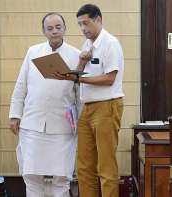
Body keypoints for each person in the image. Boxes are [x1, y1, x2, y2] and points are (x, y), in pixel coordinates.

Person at [54, 4, 124, 197]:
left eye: (86, 23)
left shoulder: (110, 43)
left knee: (106, 166)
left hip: (107, 106)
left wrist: (78, 78)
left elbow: (110, 79)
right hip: (87, 108)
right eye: (79, 25)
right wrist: (81, 63)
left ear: (99, 20)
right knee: (84, 166)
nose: (83, 29)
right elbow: (80, 73)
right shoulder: (87, 45)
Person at [9, 12, 80, 197]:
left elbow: (80, 94)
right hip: (32, 123)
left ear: (65, 29)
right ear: (43, 31)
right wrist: (15, 114)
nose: (54, 31)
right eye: (50, 28)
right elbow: (21, 85)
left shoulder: (76, 55)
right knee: (31, 175)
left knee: (62, 177)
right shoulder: (33, 51)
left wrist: (81, 122)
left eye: (58, 27)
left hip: (63, 126)